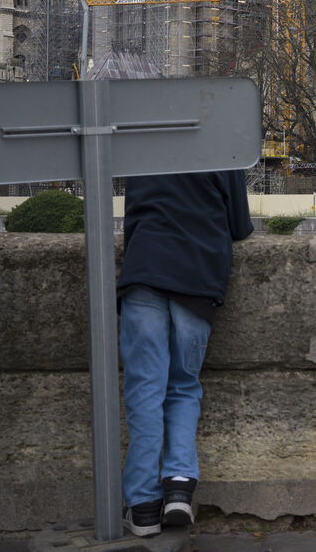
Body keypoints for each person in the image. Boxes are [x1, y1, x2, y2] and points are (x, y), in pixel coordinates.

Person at [118, 168, 254, 537]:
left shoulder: (139, 145)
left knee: (144, 391)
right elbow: (240, 227)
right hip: (197, 277)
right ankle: (179, 485)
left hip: (145, 269)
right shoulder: (222, 149)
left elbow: (133, 218)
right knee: (183, 386)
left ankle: (143, 505)